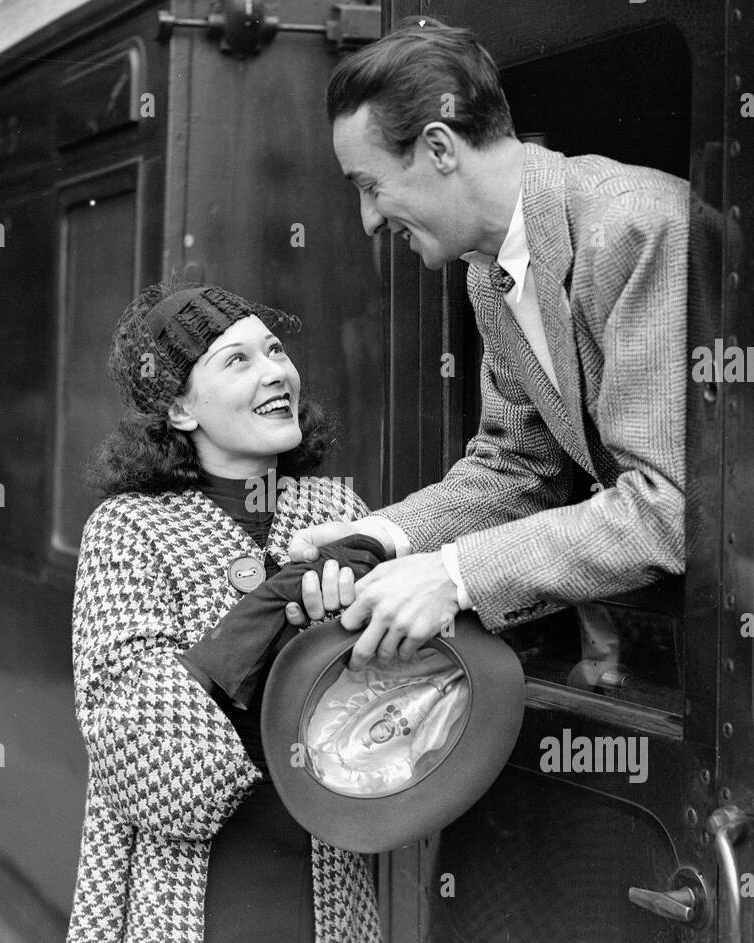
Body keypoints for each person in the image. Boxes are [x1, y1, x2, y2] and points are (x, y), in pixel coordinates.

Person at [289, 19, 689, 671]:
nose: (368, 219)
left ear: (441, 147)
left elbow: (669, 507)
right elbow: (517, 465)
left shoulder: (631, 230)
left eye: (370, 185)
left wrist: (453, 574)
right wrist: (385, 536)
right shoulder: (487, 272)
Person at [56, 281, 386, 943]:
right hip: (195, 888)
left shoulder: (336, 507)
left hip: (326, 868)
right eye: (235, 361)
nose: (275, 372)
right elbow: (135, 736)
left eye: (274, 350)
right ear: (178, 407)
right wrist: (274, 602)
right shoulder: (128, 529)